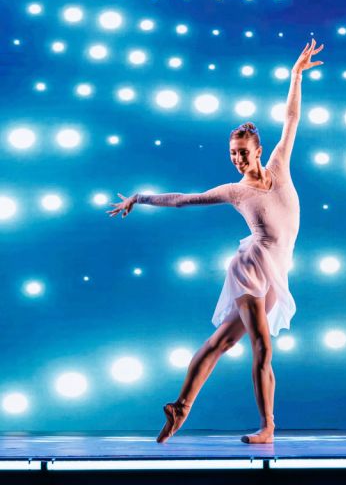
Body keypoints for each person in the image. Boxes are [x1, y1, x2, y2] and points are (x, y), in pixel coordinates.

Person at [108, 40, 324, 444]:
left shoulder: (280, 164)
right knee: (262, 347)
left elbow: (292, 117)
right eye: (232, 154)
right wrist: (139, 197)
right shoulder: (234, 191)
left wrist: (296, 75)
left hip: (276, 271)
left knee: (222, 341)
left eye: (242, 152)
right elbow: (184, 200)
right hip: (251, 268)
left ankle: (181, 406)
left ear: (258, 151)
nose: (237, 159)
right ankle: (268, 427)